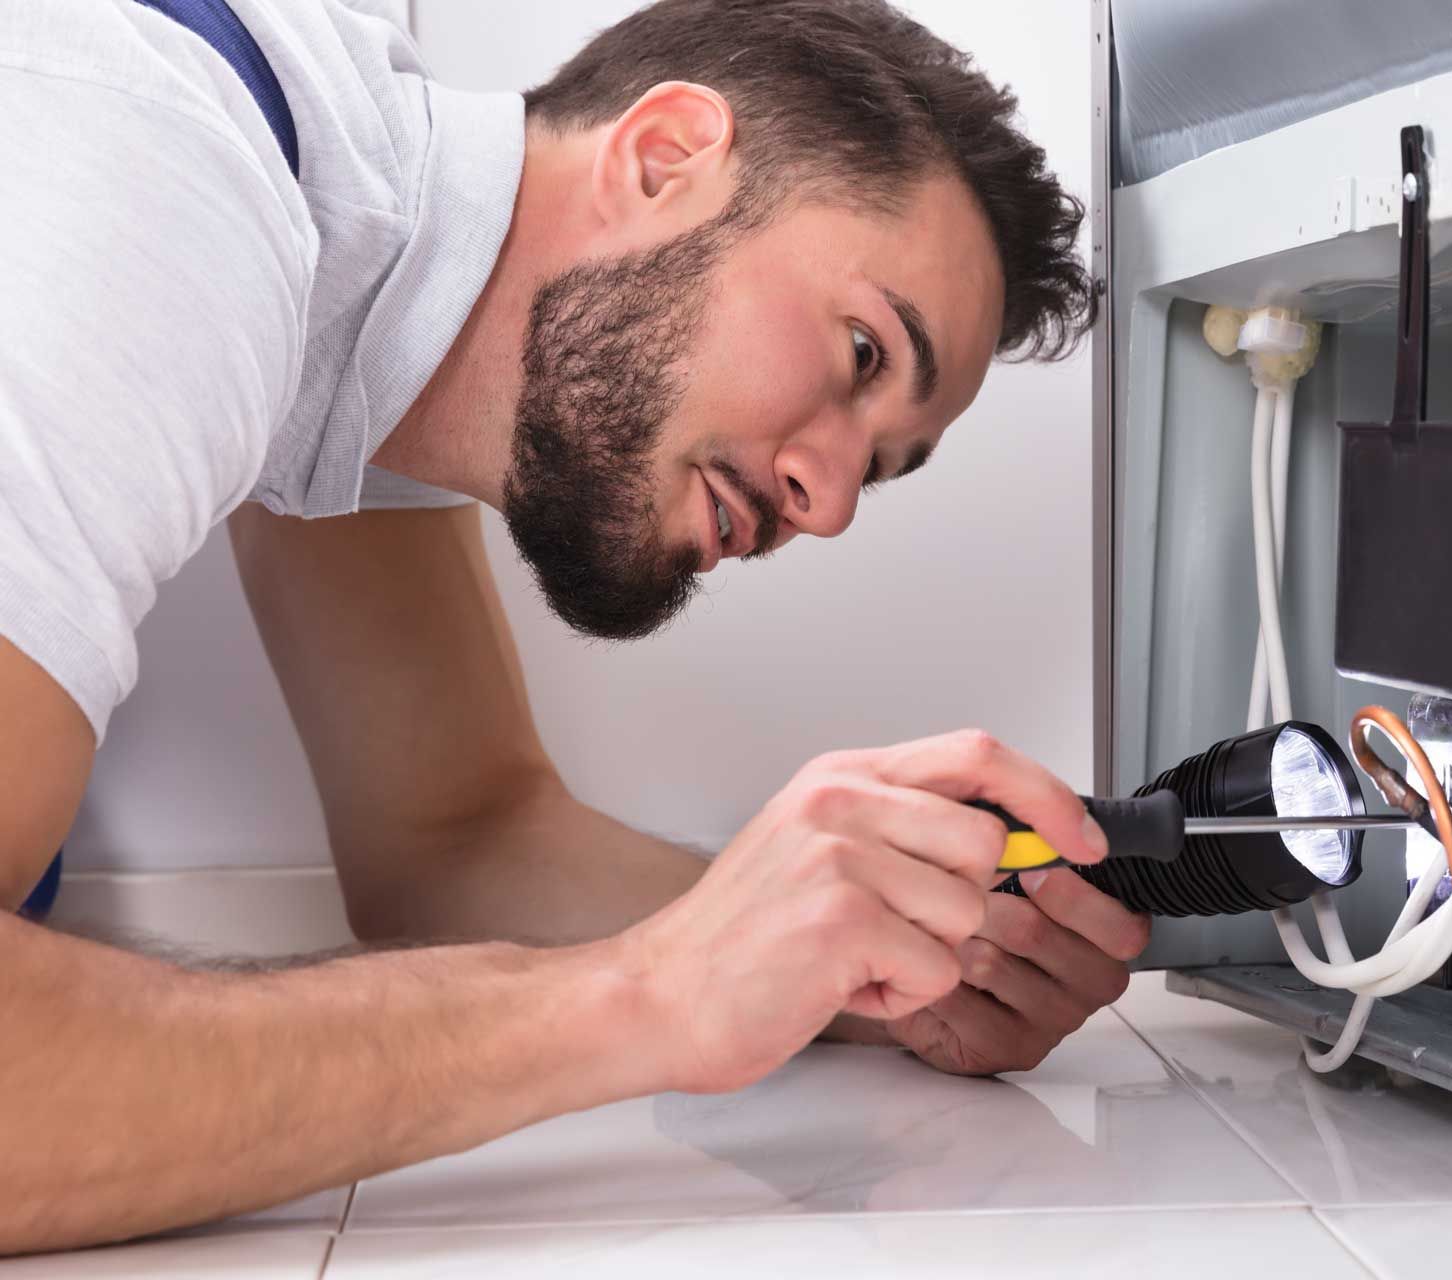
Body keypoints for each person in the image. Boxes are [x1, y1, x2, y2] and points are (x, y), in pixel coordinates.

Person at [0, 0, 1148, 1254]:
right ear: (663, 158)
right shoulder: (166, 173)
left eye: (880, 465)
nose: (825, 504)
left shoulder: (368, 308)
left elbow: (457, 838)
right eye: (862, 349)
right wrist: (650, 998)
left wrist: (850, 958)